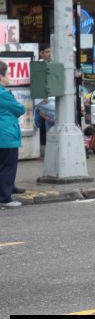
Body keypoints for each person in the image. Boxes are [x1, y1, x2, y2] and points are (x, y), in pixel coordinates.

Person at [0, 60, 26, 208]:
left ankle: (9, 187)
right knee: (8, 166)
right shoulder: (3, 93)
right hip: (5, 135)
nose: (9, 76)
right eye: (8, 73)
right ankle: (5, 198)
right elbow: (20, 109)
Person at [34, 43, 55, 133]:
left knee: (51, 125)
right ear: (41, 54)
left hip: (52, 99)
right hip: (44, 99)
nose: (49, 54)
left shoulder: (51, 64)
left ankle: (50, 145)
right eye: (47, 52)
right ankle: (40, 112)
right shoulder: (38, 65)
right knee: (59, 117)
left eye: (50, 51)